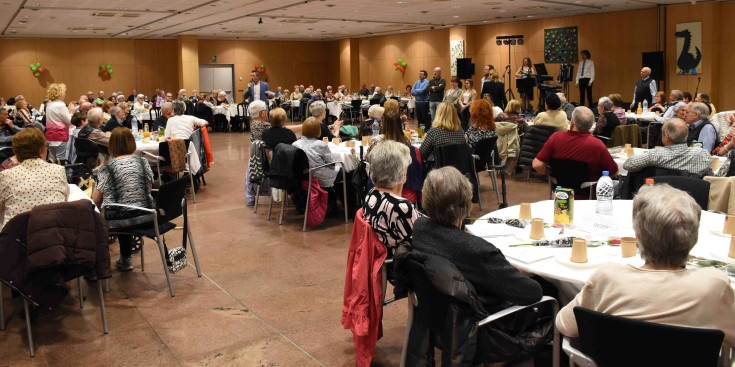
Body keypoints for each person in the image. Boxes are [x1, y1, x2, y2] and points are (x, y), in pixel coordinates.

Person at [556, 184, 735, 345]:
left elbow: (565, 325)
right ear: (694, 239)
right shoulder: (714, 285)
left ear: (638, 239)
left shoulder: (607, 279)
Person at [412, 166, 543, 312]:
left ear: (426, 199)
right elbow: (533, 292)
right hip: (483, 321)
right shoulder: (477, 250)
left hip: (437, 311)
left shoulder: (419, 227)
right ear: (467, 203)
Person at [92, 127, 156, 271]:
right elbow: (148, 189)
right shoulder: (143, 162)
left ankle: (97, 267)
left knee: (101, 215)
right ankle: (125, 258)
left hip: (119, 222)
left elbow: (96, 200)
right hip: (147, 216)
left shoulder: (105, 168)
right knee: (126, 208)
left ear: (111, 145)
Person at [0, 128, 69, 228]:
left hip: (17, 237)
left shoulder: (6, 175)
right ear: (41, 151)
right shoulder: (58, 170)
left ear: (16, 152)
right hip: (53, 233)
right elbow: (64, 200)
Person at [363, 140, 421, 253]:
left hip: (381, 256)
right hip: (400, 263)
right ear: (402, 173)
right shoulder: (401, 206)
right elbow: (418, 244)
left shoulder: (372, 194)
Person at [533, 106, 618, 182]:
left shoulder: (556, 137)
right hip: (588, 195)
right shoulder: (597, 145)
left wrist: (552, 171)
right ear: (592, 124)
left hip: (560, 194)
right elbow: (613, 172)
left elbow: (537, 165)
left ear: (572, 122)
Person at [623, 118, 711, 178]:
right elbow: (710, 176)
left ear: (666, 137)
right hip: (693, 197)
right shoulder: (702, 154)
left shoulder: (655, 154)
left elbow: (628, 165)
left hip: (661, 196)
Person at [293, 116, 339, 188]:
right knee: (343, 170)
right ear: (318, 130)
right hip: (319, 177)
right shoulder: (321, 144)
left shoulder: (295, 144)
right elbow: (331, 164)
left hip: (302, 176)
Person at [45, 83, 77, 161]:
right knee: (61, 161)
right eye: (64, 92)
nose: (65, 94)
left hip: (50, 136)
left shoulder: (49, 104)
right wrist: (71, 111)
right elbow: (69, 121)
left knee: (52, 160)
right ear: (59, 93)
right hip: (59, 135)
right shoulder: (60, 105)